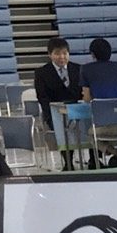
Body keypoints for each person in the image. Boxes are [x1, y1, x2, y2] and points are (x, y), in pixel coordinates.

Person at [34, 36, 83, 170]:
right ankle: (68, 161)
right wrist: (51, 114)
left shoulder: (78, 69)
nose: (62, 57)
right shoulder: (42, 73)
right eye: (57, 53)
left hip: (77, 110)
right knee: (60, 125)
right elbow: (42, 97)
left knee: (89, 121)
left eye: (64, 53)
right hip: (55, 112)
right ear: (50, 55)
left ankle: (94, 159)